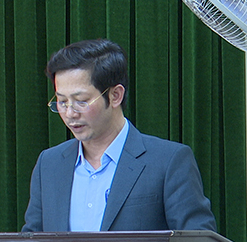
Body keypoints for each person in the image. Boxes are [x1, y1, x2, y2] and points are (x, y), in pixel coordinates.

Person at [22, 39, 217, 232]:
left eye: (81, 101)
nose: (70, 113)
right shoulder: (49, 164)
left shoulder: (168, 161)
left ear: (115, 95)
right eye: (62, 102)